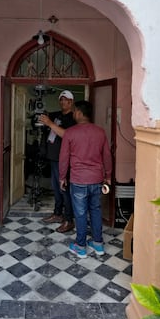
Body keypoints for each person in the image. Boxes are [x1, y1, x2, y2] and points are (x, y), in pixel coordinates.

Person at [59, 100, 112, 258]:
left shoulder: (70, 132)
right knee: (95, 211)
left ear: (80, 113)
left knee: (80, 213)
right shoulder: (100, 132)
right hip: (96, 179)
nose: (74, 114)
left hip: (79, 180)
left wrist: (62, 177)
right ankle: (98, 244)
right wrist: (108, 175)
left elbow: (64, 158)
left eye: (75, 111)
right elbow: (107, 156)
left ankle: (80, 246)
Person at [39, 90, 76, 233]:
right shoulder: (57, 115)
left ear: (71, 102)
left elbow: (66, 135)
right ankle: (58, 213)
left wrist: (49, 123)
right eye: (60, 99)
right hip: (53, 158)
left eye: (65, 100)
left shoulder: (73, 119)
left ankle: (69, 219)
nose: (62, 102)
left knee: (64, 189)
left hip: (63, 159)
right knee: (56, 188)